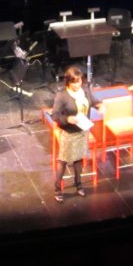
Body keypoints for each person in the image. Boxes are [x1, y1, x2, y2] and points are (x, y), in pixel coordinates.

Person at [51, 65, 96, 202]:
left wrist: (101, 105)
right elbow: (55, 116)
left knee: (78, 159)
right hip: (69, 133)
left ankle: (79, 184)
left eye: (79, 81)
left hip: (82, 130)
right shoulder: (62, 96)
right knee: (63, 161)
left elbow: (93, 102)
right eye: (74, 82)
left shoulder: (86, 90)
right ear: (68, 82)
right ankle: (58, 189)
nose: (78, 84)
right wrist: (67, 119)